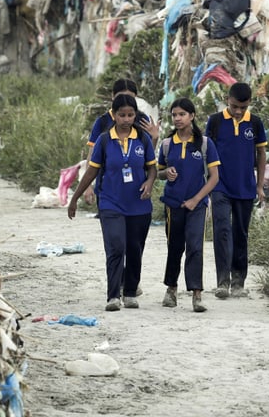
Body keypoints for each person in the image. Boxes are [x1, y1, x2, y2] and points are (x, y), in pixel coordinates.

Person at [68, 93, 157, 311]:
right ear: (114, 115)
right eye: (122, 115)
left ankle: (130, 292)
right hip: (111, 202)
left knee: (135, 249)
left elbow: (152, 167)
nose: (127, 119)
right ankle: (113, 296)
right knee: (116, 246)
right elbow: (92, 171)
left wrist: (150, 182)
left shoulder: (143, 139)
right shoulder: (105, 140)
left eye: (130, 115)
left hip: (139, 203)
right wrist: (75, 198)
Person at [205, 82, 267, 299]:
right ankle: (222, 281)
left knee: (240, 232)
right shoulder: (215, 122)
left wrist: (259, 185)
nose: (238, 111)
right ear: (227, 100)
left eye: (243, 107)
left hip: (245, 186)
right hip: (220, 185)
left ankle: (238, 280)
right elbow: (207, 152)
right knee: (222, 230)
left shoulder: (256, 124)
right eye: (234, 107)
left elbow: (261, 155)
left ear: (249, 103)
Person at [157, 98, 220, 313]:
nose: (177, 118)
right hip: (173, 204)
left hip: (198, 205)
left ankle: (197, 294)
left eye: (182, 114)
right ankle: (171, 289)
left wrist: (196, 199)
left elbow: (214, 178)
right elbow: (157, 173)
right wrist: (166, 173)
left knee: (195, 247)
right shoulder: (167, 144)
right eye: (174, 115)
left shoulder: (204, 144)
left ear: (192, 116)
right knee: (175, 247)